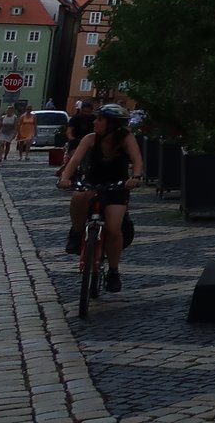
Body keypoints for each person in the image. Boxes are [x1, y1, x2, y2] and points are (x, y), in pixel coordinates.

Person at [58, 103, 143, 292]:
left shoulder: (126, 138)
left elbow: (137, 159)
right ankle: (76, 233)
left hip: (117, 186)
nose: (95, 122)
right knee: (78, 196)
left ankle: (113, 271)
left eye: (100, 119)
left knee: (113, 228)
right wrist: (65, 178)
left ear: (112, 124)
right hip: (93, 183)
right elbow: (75, 160)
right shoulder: (90, 138)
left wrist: (135, 177)